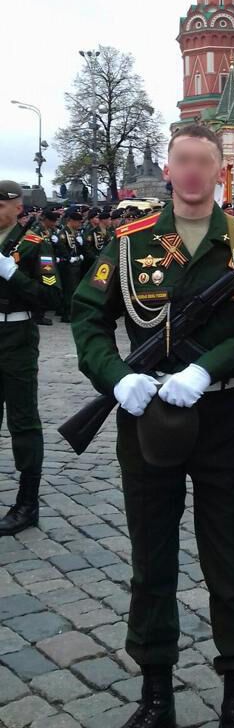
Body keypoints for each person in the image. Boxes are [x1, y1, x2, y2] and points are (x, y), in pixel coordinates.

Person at [72, 125, 234, 728]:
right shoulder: (132, 241)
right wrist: (115, 377)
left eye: (204, 162)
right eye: (182, 161)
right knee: (152, 558)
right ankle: (155, 691)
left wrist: (208, 366)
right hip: (146, 415)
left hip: (221, 414)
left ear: (221, 172)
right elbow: (88, 315)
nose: (192, 172)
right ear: (167, 170)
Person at [0, 181, 61, 535]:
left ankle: (27, 503)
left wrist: (13, 274)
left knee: (22, 420)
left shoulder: (35, 244)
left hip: (17, 335)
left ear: (16, 206)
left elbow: (53, 298)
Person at [52, 207, 85, 322]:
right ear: (71, 221)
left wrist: (79, 253)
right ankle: (66, 313)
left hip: (75, 264)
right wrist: (68, 257)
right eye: (78, 222)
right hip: (67, 265)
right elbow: (61, 248)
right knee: (69, 289)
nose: (80, 224)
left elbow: (75, 247)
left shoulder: (74, 233)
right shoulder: (63, 233)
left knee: (74, 288)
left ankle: (71, 311)